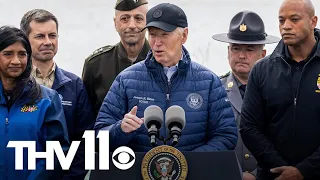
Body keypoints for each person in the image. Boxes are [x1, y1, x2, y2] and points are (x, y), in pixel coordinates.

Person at [94, 3, 238, 152]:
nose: (157, 43)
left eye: (164, 34)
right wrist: (120, 129)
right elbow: (98, 138)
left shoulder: (208, 82)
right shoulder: (125, 80)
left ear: (184, 35)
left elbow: (226, 136)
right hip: (137, 173)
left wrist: (188, 163)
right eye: (152, 34)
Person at [240, 0, 320, 179]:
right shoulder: (261, 70)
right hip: (274, 175)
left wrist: (304, 170)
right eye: (281, 21)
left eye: (294, 19)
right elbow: (249, 127)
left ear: (313, 21)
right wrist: (281, 168)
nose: (286, 27)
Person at [20, 9, 94, 179]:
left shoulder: (74, 85)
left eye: (52, 36)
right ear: (24, 40)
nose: (48, 42)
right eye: (40, 36)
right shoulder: (14, 85)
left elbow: (85, 141)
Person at [213, 11, 280, 180]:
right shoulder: (213, 90)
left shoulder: (278, 91)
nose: (242, 55)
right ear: (228, 52)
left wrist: (259, 175)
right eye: (236, 49)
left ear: (263, 55)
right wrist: (234, 174)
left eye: (249, 49)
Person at [0, 26, 69, 179]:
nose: (16, 61)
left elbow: (56, 152)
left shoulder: (47, 99)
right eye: (8, 54)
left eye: (22, 54)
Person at [82, 0, 150, 117]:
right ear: (115, 23)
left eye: (138, 18)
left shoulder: (163, 62)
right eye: (125, 19)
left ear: (148, 22)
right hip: (108, 134)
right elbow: (86, 120)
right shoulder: (95, 65)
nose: (132, 25)